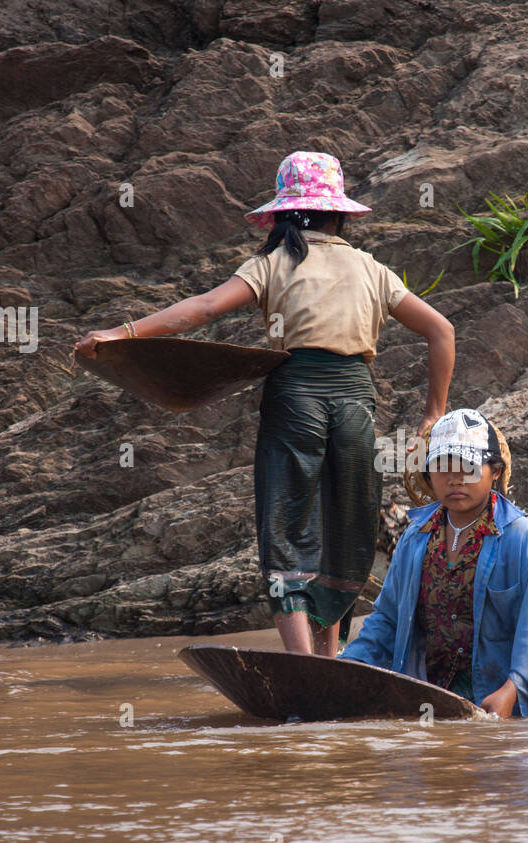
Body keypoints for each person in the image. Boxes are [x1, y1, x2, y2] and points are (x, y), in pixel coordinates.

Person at [76, 151, 455, 657]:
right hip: (355, 405)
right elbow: (441, 330)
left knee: (287, 527)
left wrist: (123, 333)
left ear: (281, 215)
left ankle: (302, 665)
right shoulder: (372, 269)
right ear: (338, 213)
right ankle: (329, 658)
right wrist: (433, 413)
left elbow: (204, 309)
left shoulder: (274, 263)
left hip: (295, 399)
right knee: (344, 525)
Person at [339, 408, 528, 718]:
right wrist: (348, 668)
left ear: (495, 471)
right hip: (426, 703)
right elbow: (388, 621)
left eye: (469, 466)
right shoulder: (415, 538)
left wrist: (512, 692)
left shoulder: (522, 539)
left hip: (500, 706)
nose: (455, 478)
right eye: (443, 466)